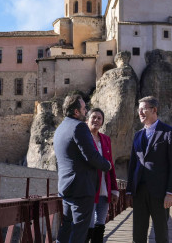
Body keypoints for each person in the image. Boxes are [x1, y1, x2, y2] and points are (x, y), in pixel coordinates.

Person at [55, 95, 112, 243]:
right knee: (80, 233)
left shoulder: (60, 128)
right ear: (76, 112)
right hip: (81, 189)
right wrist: (107, 165)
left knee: (66, 229)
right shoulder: (79, 126)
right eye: (84, 108)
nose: (86, 110)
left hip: (66, 187)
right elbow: (91, 156)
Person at [126, 96, 172, 243]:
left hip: (161, 193)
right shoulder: (137, 136)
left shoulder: (169, 133)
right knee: (138, 234)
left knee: (161, 234)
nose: (140, 112)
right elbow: (133, 164)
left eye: (144, 109)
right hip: (139, 192)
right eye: (139, 110)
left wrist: (171, 192)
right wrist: (130, 190)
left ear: (154, 110)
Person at [85, 108, 119, 243]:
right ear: (87, 119)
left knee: (100, 223)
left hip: (105, 187)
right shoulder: (84, 137)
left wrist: (115, 189)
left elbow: (110, 165)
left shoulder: (105, 139)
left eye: (99, 118)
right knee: (89, 224)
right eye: (93, 117)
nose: (96, 120)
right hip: (90, 187)